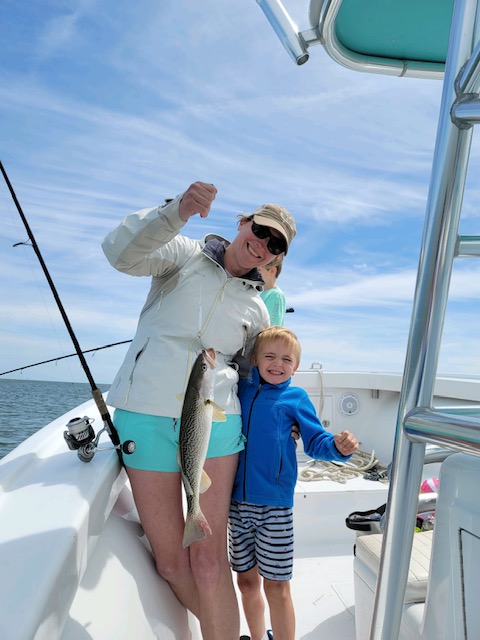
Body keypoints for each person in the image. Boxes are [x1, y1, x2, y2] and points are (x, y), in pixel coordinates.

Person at [101, 181, 296, 640]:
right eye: (261, 230)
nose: (263, 245)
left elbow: (255, 376)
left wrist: (278, 429)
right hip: (144, 417)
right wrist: (177, 212)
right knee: (171, 562)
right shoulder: (182, 255)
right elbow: (119, 254)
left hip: (216, 425)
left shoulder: (259, 310)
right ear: (243, 222)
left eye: (276, 245)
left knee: (210, 559)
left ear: (275, 257)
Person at [229, 326, 358, 640]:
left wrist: (338, 448)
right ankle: (258, 636)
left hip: (274, 509)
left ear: (296, 366)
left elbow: (315, 441)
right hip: (235, 506)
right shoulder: (239, 392)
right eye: (269, 356)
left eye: (286, 359)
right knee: (245, 582)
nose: (277, 363)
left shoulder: (296, 398)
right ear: (255, 360)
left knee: (276, 586)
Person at [258, 258, 286, 326]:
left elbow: (271, 330)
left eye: (258, 270)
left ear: (272, 271)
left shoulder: (276, 295)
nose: (254, 273)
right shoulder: (260, 295)